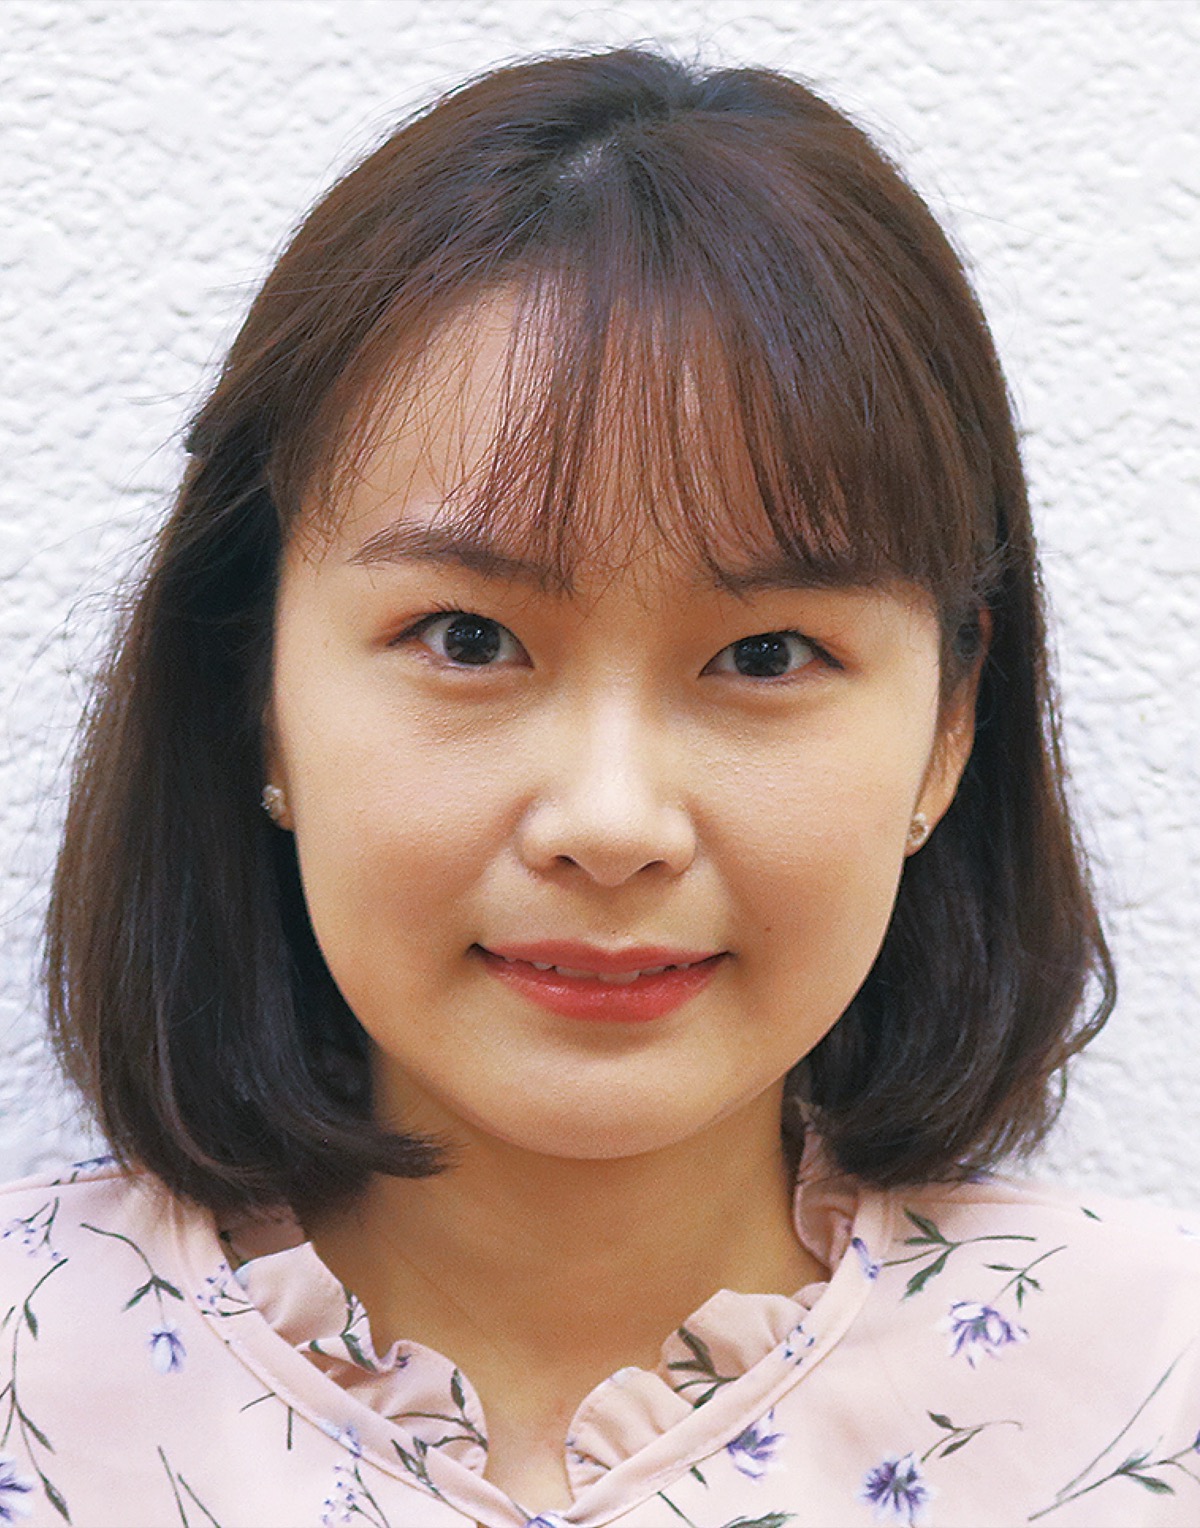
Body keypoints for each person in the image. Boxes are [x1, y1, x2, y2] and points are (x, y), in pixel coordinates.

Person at [0, 45, 1195, 1528]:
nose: (611, 823)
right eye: (467, 638)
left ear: (948, 727)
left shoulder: (1154, 1404)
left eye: (765, 655)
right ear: (258, 697)